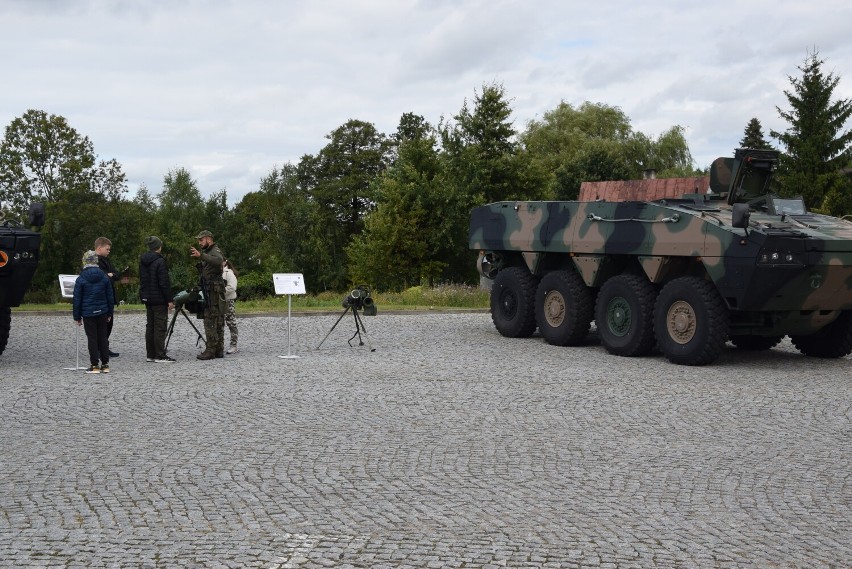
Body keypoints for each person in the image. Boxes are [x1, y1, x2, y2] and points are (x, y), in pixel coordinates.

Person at [73, 250, 115, 374]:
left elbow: (77, 299)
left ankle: (94, 364)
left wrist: (77, 316)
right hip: (102, 311)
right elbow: (110, 297)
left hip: (88, 313)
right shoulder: (104, 276)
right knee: (103, 337)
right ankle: (105, 364)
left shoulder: (81, 278)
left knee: (92, 338)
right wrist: (109, 313)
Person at [190, 229, 226, 360]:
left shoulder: (214, 251)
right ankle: (218, 349)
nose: (199, 242)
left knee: (211, 319)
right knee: (217, 319)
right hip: (211, 290)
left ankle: (212, 349)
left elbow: (218, 261)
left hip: (213, 292)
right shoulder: (209, 252)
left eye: (201, 240)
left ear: (208, 239)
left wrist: (202, 256)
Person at [139, 236, 175, 363]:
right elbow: (163, 282)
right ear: (159, 247)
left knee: (150, 326)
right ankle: (160, 354)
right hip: (159, 298)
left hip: (148, 297)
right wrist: (169, 300)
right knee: (160, 327)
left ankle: (150, 354)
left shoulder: (143, 260)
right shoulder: (160, 261)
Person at [95, 236, 121, 358]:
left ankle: (104, 346)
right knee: (102, 324)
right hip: (101, 297)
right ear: (99, 248)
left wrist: (111, 275)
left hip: (108, 295)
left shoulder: (106, 260)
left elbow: (116, 274)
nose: (109, 251)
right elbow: (100, 276)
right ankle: (100, 349)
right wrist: (109, 275)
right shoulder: (95, 261)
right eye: (107, 249)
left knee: (109, 324)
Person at [222, 259, 239, 354]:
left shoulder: (228, 273)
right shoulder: (217, 273)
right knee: (219, 323)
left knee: (231, 322)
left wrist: (220, 292)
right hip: (219, 301)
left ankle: (234, 345)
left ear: (225, 262)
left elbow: (232, 287)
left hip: (228, 301)